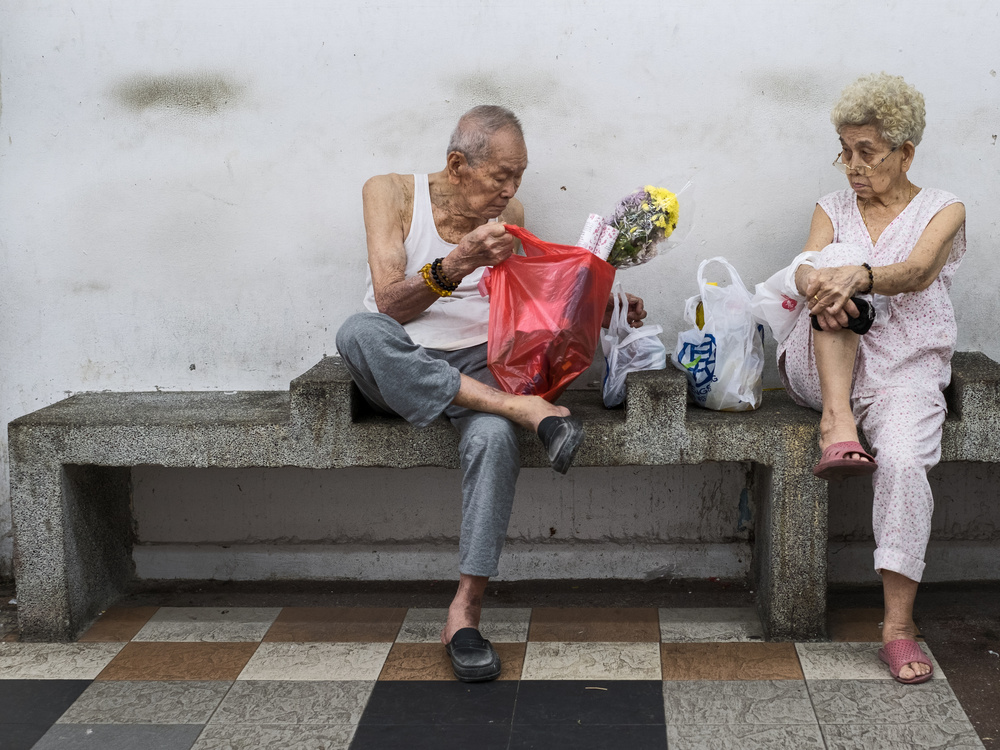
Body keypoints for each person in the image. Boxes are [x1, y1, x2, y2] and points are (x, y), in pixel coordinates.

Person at [335, 105, 646, 682]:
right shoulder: (391, 193)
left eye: (519, 177)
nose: (510, 191)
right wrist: (460, 260)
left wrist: (602, 303)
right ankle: (521, 409)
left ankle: (466, 611)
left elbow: (531, 304)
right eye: (501, 176)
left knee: (494, 438)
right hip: (404, 364)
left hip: (482, 366)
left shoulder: (512, 215)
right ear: (457, 166)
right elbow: (389, 302)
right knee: (358, 332)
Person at [776, 73, 966, 684]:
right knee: (826, 271)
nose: (852, 166)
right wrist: (820, 280)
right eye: (845, 150)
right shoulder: (832, 208)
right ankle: (839, 422)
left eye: (868, 153)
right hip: (821, 367)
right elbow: (806, 267)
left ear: (906, 152)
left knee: (907, 462)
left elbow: (914, 271)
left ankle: (898, 627)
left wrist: (854, 276)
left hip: (904, 373)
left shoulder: (944, 208)